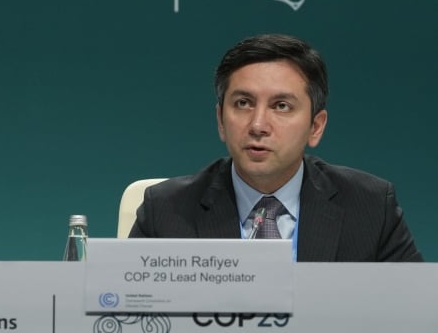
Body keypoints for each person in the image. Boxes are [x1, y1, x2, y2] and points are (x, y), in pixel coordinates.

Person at [129, 34, 422, 262]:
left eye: (281, 106)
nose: (258, 124)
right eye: (243, 103)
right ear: (220, 119)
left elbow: (416, 313)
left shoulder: (370, 208)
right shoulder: (166, 212)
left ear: (316, 126)